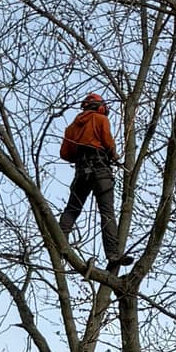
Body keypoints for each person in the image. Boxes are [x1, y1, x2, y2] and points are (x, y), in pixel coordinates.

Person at [57, 92, 122, 258]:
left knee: (72, 209)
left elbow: (65, 154)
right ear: (100, 107)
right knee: (107, 212)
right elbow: (107, 141)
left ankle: (59, 242)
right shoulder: (101, 120)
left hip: (81, 171)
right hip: (100, 169)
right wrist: (113, 155)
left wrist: (78, 154)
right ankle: (113, 254)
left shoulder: (71, 127)